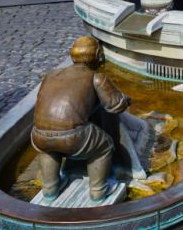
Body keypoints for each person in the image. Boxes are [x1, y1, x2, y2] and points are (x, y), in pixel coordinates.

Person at [31, 36, 131, 201]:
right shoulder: (95, 77)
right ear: (98, 55)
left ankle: (50, 189)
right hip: (73, 137)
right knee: (104, 146)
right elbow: (114, 106)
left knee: (48, 149)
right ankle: (98, 191)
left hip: (38, 134)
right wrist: (126, 100)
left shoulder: (51, 75)